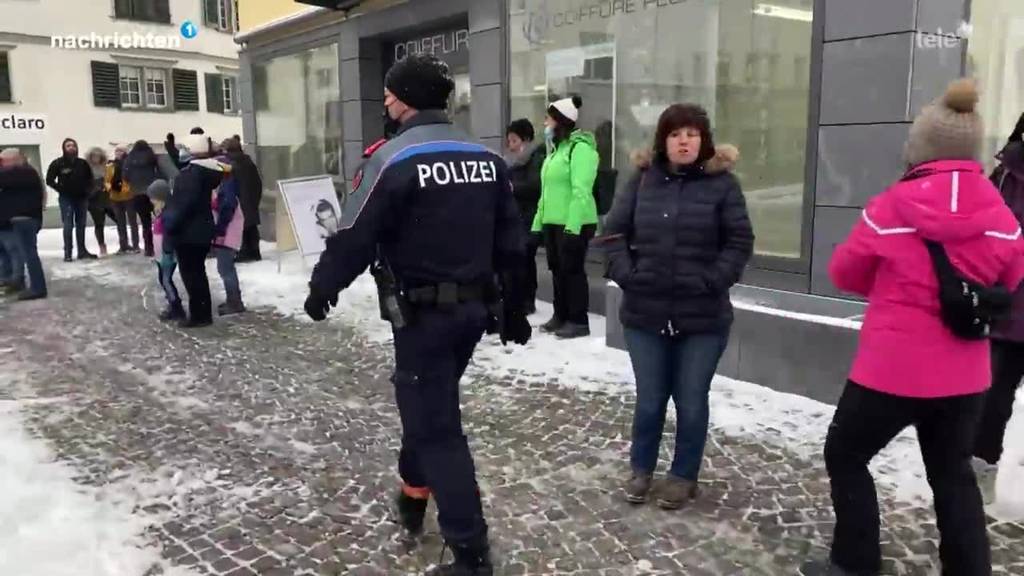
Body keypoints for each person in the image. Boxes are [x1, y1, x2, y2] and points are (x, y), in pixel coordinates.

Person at [303, 53, 531, 576]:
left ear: (405, 99)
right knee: (427, 406)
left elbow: (354, 238)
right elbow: (513, 242)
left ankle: (472, 555)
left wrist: (322, 288)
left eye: (389, 93)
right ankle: (412, 495)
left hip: (423, 318)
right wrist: (515, 307)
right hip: (474, 313)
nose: (384, 100)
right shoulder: (485, 157)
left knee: (437, 430)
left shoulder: (389, 159)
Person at [821, 80, 1024, 576]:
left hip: (890, 370)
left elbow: (844, 273)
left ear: (920, 147)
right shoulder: (1000, 212)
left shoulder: (890, 207)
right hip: (965, 373)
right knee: (953, 474)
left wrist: (893, 287)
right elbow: (1012, 279)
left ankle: (856, 562)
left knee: (846, 455)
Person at [601, 104, 753, 509]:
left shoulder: (724, 186)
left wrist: (711, 281)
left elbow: (738, 243)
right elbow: (612, 233)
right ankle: (641, 469)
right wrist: (628, 275)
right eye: (674, 134)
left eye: (691, 133)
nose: (683, 141)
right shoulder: (642, 181)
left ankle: (683, 476)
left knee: (690, 399)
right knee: (650, 399)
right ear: (662, 141)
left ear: (704, 140)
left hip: (703, 317)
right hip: (644, 313)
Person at [975, 111, 1024, 468]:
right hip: (1008, 305)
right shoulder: (1007, 173)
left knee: (995, 391)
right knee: (994, 394)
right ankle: (981, 463)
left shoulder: (1007, 171)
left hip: (1008, 303)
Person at [532, 96, 600, 339]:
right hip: (553, 221)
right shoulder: (555, 152)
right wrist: (536, 225)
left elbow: (581, 192)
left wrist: (573, 228)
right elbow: (546, 192)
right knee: (557, 270)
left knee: (572, 270)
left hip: (576, 221)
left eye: (549, 118)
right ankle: (560, 314)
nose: (545, 123)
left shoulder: (579, 149)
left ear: (560, 122)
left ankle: (578, 320)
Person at [162, 134, 222, 328]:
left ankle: (200, 315)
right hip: (201, 229)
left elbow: (181, 206)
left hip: (189, 233)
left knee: (192, 275)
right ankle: (202, 312)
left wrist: (169, 226)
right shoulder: (205, 171)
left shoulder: (190, 175)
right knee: (198, 273)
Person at [505, 119, 545, 315]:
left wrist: (513, 188)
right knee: (519, 260)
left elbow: (536, 185)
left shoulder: (536, 158)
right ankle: (519, 299)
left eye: (513, 141)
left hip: (531, 216)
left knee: (526, 259)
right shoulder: (515, 162)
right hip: (517, 217)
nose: (510, 146)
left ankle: (528, 300)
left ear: (526, 139)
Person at [0, 148, 47, 300]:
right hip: (23, 219)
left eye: (4, 161)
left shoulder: (24, 173)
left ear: (13, 160)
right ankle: (35, 287)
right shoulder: (23, 173)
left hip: (24, 220)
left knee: (29, 255)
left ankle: (38, 288)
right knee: (28, 254)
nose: (3, 164)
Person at [46, 137, 96, 262]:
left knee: (81, 225)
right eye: (68, 145)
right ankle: (68, 253)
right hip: (66, 198)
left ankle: (82, 251)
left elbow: (90, 179)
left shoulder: (82, 163)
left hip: (81, 198)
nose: (71, 147)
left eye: (73, 145)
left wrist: (88, 191)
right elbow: (49, 180)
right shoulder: (58, 163)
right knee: (68, 225)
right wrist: (61, 189)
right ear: (64, 148)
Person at [211, 145, 246, 315]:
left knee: (226, 267)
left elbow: (227, 208)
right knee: (224, 267)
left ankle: (235, 301)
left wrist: (220, 231)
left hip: (228, 230)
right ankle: (233, 299)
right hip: (227, 228)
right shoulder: (224, 185)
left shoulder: (227, 186)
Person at [148, 178, 184, 321]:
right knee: (164, 279)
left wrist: (167, 253)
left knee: (166, 280)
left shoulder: (169, 213)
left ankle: (176, 307)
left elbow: (169, 233)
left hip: (167, 253)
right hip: (161, 253)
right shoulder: (163, 211)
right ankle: (172, 303)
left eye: (153, 199)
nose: (151, 201)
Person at [222, 138, 264, 263]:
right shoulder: (248, 161)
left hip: (240, 199)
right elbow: (258, 182)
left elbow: (229, 185)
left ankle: (246, 251)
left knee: (243, 226)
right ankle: (255, 251)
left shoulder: (232, 165)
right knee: (251, 226)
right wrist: (256, 197)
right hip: (251, 198)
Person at [123, 140, 166, 257]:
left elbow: (125, 177)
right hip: (154, 191)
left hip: (137, 193)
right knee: (162, 218)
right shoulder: (152, 157)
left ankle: (149, 248)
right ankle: (164, 245)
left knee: (145, 222)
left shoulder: (129, 159)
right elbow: (161, 173)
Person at [85, 147, 115, 257]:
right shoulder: (86, 167)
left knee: (119, 219)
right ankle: (102, 246)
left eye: (98, 156)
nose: (96, 158)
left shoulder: (106, 166)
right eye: (94, 156)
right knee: (99, 224)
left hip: (107, 197)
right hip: (94, 200)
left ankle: (124, 242)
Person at [106, 145, 136, 253]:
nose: (118, 153)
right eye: (117, 151)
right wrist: (110, 188)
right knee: (120, 222)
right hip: (115, 197)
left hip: (129, 196)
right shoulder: (110, 165)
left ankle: (135, 244)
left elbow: (132, 179)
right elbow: (106, 180)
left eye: (121, 151)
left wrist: (126, 189)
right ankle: (123, 245)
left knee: (133, 222)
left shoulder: (130, 164)